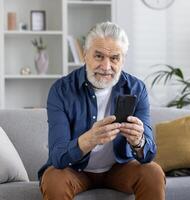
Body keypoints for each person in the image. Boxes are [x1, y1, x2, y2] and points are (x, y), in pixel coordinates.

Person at [38, 21, 165, 200]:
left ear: (123, 60)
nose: (106, 67)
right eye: (98, 56)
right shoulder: (61, 90)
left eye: (114, 58)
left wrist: (139, 141)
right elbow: (58, 156)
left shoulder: (137, 88)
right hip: (74, 170)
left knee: (153, 172)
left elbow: (148, 155)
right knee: (53, 178)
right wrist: (89, 139)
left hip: (119, 169)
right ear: (85, 55)